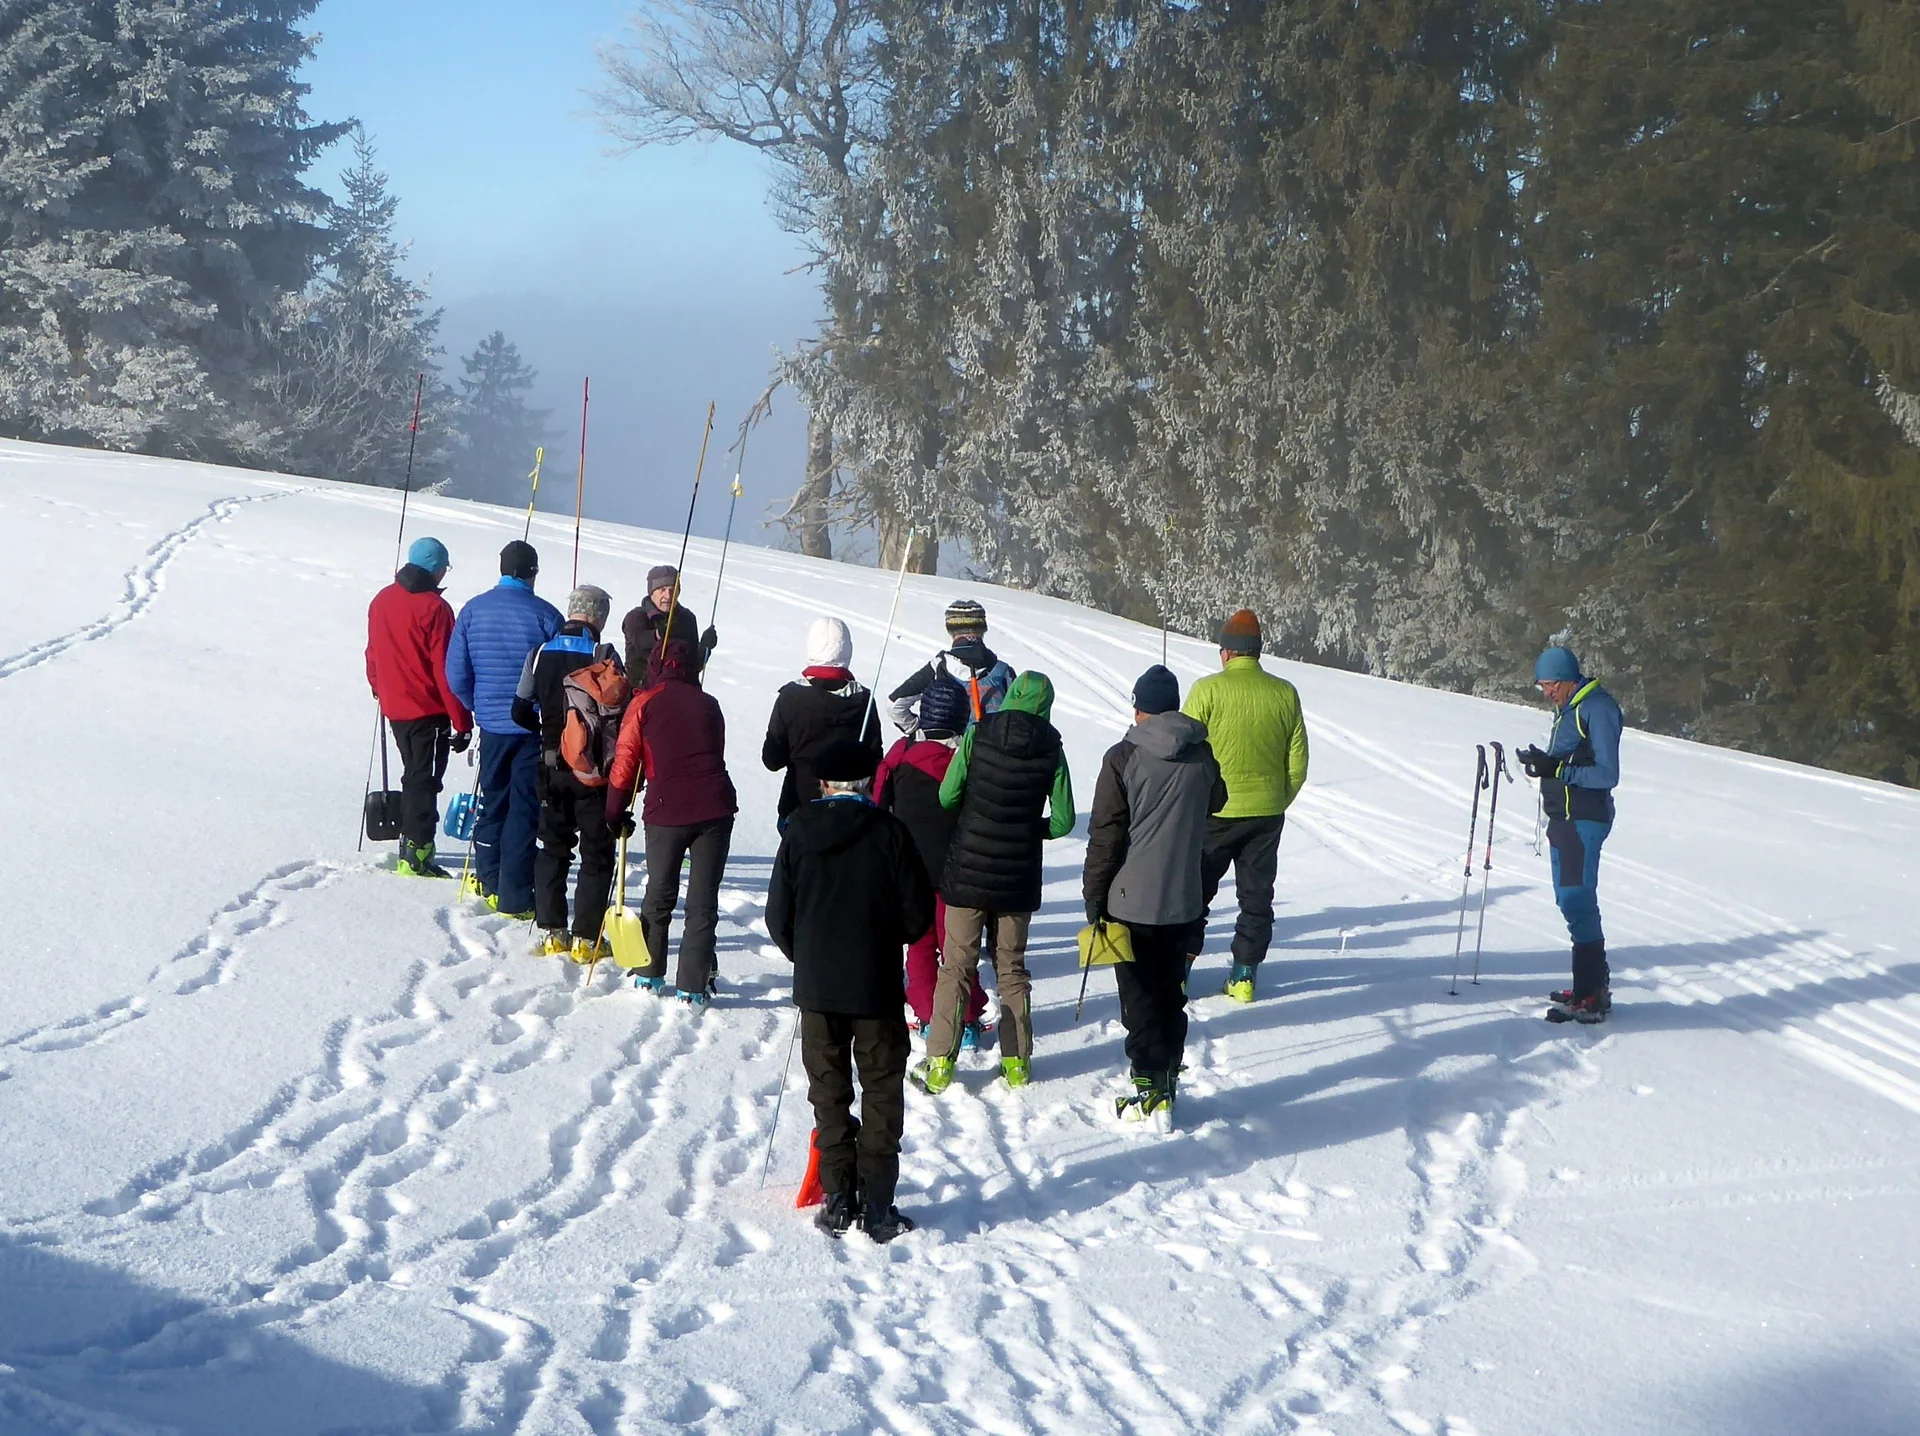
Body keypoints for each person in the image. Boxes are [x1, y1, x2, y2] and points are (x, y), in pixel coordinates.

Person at [767, 738, 934, 1244]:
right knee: (882, 1089)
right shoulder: (892, 832)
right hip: (876, 985)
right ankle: (878, 1205)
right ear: (867, 783)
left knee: (830, 1091)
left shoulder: (797, 831)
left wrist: (810, 956)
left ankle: (839, 1199)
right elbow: (918, 916)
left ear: (823, 784)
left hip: (819, 988)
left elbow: (778, 917)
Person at [914, 671, 1075, 1094]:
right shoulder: (1052, 748)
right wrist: (1027, 829)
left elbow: (948, 796)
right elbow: (1064, 822)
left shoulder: (979, 734)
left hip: (968, 870)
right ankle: (1017, 1062)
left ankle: (939, 1063)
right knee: (1011, 968)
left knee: (956, 966)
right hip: (1017, 877)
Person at [1082, 665, 1227, 1122]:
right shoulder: (1201, 755)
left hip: (1130, 899)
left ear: (1139, 706)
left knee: (1138, 996)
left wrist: (1094, 896)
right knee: (1171, 993)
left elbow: (1106, 834)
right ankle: (1167, 1076)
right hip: (1184, 896)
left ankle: (1148, 1082)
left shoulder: (1122, 757)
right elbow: (1218, 800)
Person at [1181, 608, 1309, 1003]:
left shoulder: (1207, 690)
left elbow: (1182, 749)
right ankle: (1244, 975)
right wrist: (1276, 799)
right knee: (1255, 898)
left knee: (1193, 896)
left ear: (1227, 653)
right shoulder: (1285, 692)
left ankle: (1179, 972)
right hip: (1266, 814)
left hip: (1213, 814)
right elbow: (1298, 762)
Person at [605, 636, 738, 1007]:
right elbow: (716, 751)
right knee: (702, 901)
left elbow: (626, 760)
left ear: (655, 666)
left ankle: (649, 973)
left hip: (666, 811)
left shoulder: (644, 702)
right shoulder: (710, 704)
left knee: (659, 895)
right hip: (715, 808)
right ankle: (693, 986)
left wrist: (615, 811)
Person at [445, 540, 562, 917]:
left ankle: (487, 877)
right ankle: (513, 895)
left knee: (492, 803)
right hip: (531, 727)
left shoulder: (473, 611)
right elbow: (558, 674)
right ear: (533, 572)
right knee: (523, 811)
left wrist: (475, 706)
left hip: (492, 727)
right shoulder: (546, 615)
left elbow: (456, 673)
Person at [512, 585, 627, 960]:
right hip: (593, 771)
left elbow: (519, 709)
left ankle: (553, 932)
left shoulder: (539, 653)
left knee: (553, 848)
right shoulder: (603, 654)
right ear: (598, 617)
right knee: (596, 853)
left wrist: (548, 733)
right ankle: (587, 939)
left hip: (550, 767)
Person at [872, 674, 988, 1044]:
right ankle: (965, 1019)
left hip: (910, 869)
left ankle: (926, 1015)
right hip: (959, 869)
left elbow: (877, 803)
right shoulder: (967, 759)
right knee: (957, 948)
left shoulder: (901, 753)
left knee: (920, 946)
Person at [1518, 645, 1623, 1025]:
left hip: (1584, 818)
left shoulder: (1597, 708)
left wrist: (1558, 772)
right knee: (1570, 901)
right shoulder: (1570, 708)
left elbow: (1607, 774)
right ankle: (1591, 987)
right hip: (1564, 817)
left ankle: (1591, 995)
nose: (1546, 692)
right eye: (1541, 686)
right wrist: (1543, 764)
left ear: (1567, 678)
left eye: (1550, 685)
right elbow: (1572, 759)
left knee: (1577, 898)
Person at [365, 536, 472, 877]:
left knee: (415, 774)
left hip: (395, 707)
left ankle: (411, 844)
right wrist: (461, 720)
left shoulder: (382, 599)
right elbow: (446, 668)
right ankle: (417, 852)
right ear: (436, 569)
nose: (444, 574)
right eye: (444, 567)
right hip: (427, 709)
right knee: (423, 780)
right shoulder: (435, 608)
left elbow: (373, 653)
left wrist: (378, 688)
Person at [762, 617, 883, 827]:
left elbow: (772, 760)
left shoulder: (791, 697)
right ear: (847, 650)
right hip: (850, 814)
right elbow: (874, 760)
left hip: (799, 808)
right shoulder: (864, 700)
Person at [886, 597, 1017, 733]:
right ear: (983, 629)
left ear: (951, 630)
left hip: (948, 751)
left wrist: (922, 733)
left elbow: (894, 706)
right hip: (992, 750)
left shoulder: (939, 667)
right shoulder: (1004, 671)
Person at [621, 564, 716, 677]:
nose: (668, 596)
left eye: (673, 590)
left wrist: (705, 647)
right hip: (641, 688)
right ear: (651, 593)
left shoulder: (687, 618)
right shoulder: (636, 616)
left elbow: (693, 665)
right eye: (662, 590)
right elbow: (640, 641)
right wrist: (658, 634)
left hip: (679, 686)